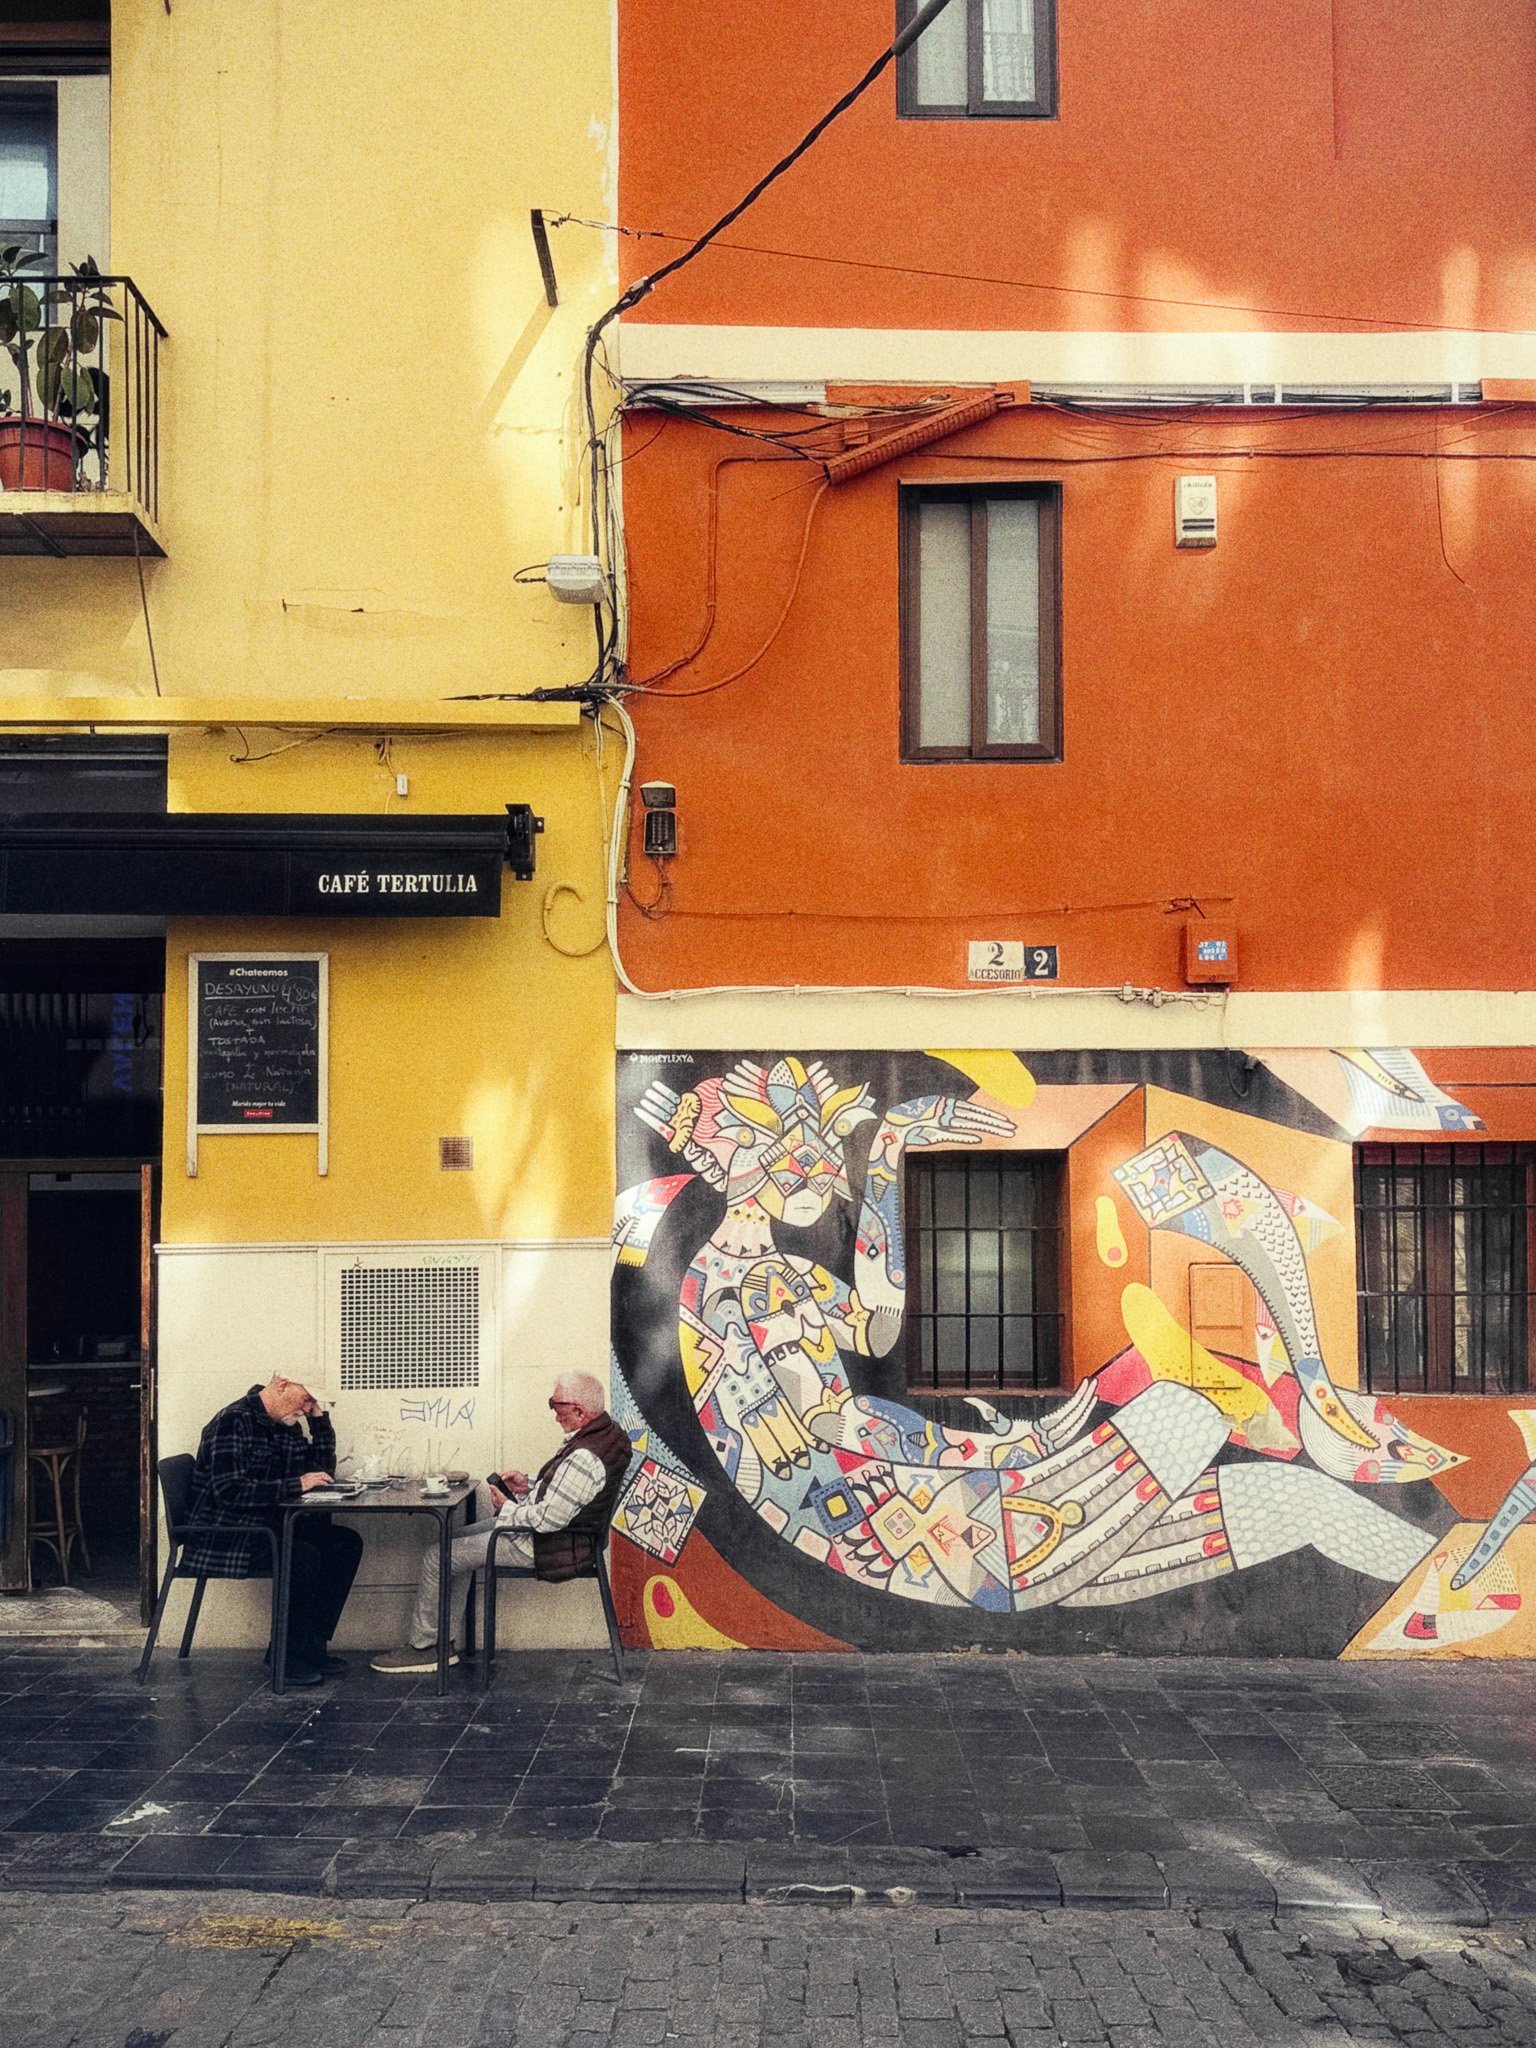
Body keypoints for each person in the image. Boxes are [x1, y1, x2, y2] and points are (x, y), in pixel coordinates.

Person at [371, 1369, 630, 1674]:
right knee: (451, 1544)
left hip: (544, 1544)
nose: (554, 1414)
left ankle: (424, 1648)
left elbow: (549, 1520)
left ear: (580, 1412)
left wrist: (507, 1507)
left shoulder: (586, 1455)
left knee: (437, 1557)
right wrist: (528, 1483)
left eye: (556, 1405)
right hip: (560, 1539)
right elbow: (572, 1490)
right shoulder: (606, 1436)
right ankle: (441, 1643)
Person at [184, 1374, 362, 1688]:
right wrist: (296, 1484)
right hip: (226, 1532)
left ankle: (311, 1645)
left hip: (266, 1526)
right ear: (282, 1385)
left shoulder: (285, 1424)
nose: (307, 1408)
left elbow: (321, 1472)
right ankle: (285, 1656)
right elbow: (229, 1491)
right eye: (306, 1399)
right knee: (303, 1555)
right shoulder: (233, 1421)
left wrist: (319, 1423)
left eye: (312, 1404)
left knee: (345, 1544)